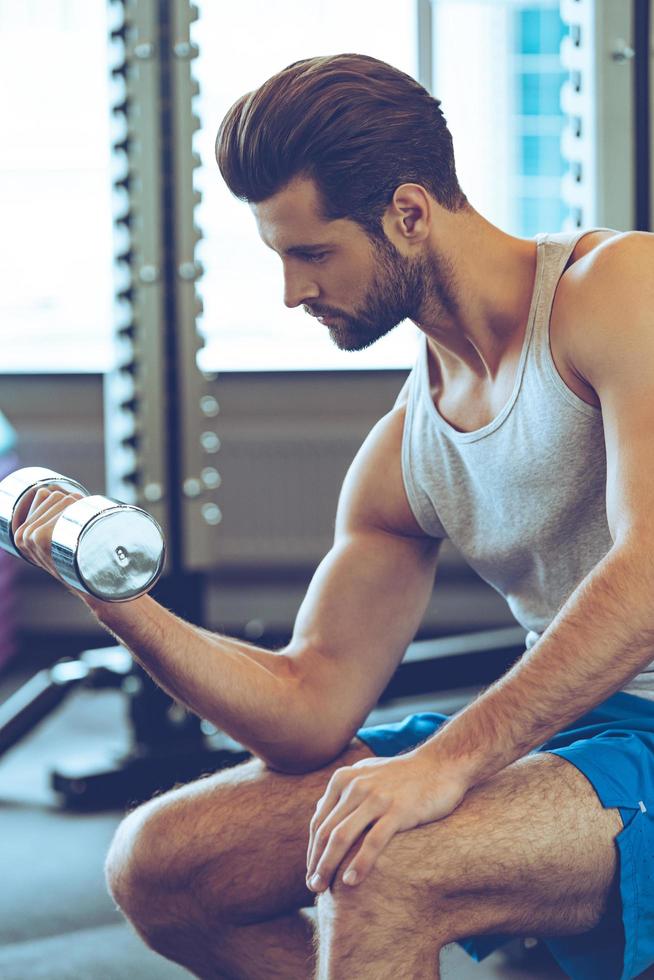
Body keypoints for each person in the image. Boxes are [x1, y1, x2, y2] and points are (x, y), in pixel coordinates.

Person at [15, 53, 654, 980]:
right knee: (166, 863)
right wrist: (119, 602)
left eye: (312, 253)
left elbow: (647, 577)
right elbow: (309, 708)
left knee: (380, 862)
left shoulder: (618, 291)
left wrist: (447, 764)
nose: (293, 292)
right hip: (569, 732)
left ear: (407, 214)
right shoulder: (409, 446)